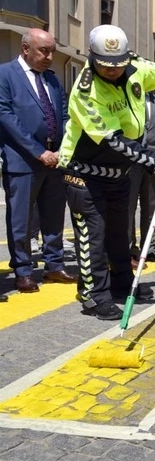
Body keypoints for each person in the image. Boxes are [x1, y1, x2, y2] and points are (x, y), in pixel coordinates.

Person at [61, 24, 155, 320]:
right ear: (93, 57)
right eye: (106, 66)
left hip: (119, 172)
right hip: (84, 171)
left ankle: (121, 281)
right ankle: (94, 295)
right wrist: (153, 161)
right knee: (92, 235)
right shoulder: (85, 91)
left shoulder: (134, 66)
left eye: (119, 65)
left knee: (121, 232)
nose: (114, 71)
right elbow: (112, 139)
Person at [0, 28, 77, 295]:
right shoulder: (5, 75)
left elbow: (65, 115)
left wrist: (62, 149)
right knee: (20, 219)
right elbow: (6, 117)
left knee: (54, 216)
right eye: (44, 50)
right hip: (23, 161)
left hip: (54, 160)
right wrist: (37, 151)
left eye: (52, 51)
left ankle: (54, 265)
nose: (49, 56)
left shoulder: (53, 80)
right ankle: (23, 271)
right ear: (25, 49)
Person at [128, 91, 155, 263]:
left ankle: (149, 248)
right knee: (129, 207)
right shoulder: (127, 97)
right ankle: (130, 250)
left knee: (151, 207)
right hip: (131, 158)